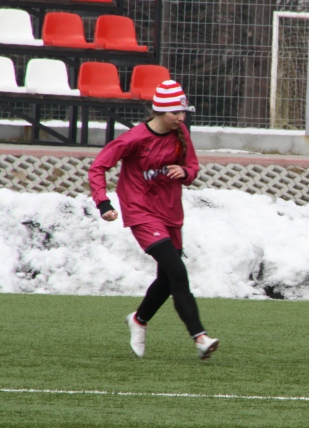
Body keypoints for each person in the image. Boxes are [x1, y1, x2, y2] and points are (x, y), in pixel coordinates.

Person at [88, 80, 219, 360]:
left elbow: (193, 167)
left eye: (184, 113)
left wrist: (184, 173)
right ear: (160, 111)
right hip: (141, 212)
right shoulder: (134, 139)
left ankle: (139, 319)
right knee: (178, 272)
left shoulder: (180, 132)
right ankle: (200, 337)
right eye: (176, 113)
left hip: (171, 212)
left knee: (167, 278)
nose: (182, 118)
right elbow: (98, 167)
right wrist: (103, 203)